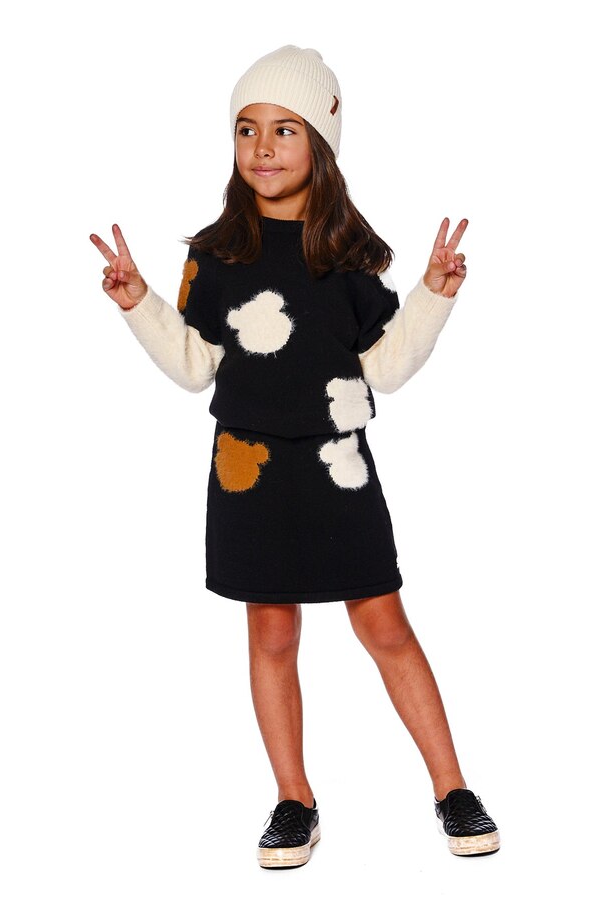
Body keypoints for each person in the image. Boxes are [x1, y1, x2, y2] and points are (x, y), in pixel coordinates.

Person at [90, 45, 499, 868]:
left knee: (384, 625)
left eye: (284, 129)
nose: (263, 147)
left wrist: (434, 295)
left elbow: (385, 366)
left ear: (321, 143)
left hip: (338, 467)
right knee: (271, 633)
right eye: (247, 129)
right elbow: (194, 365)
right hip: (248, 472)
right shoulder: (215, 256)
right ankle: (293, 798)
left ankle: (452, 786)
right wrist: (139, 303)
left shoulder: (348, 258)